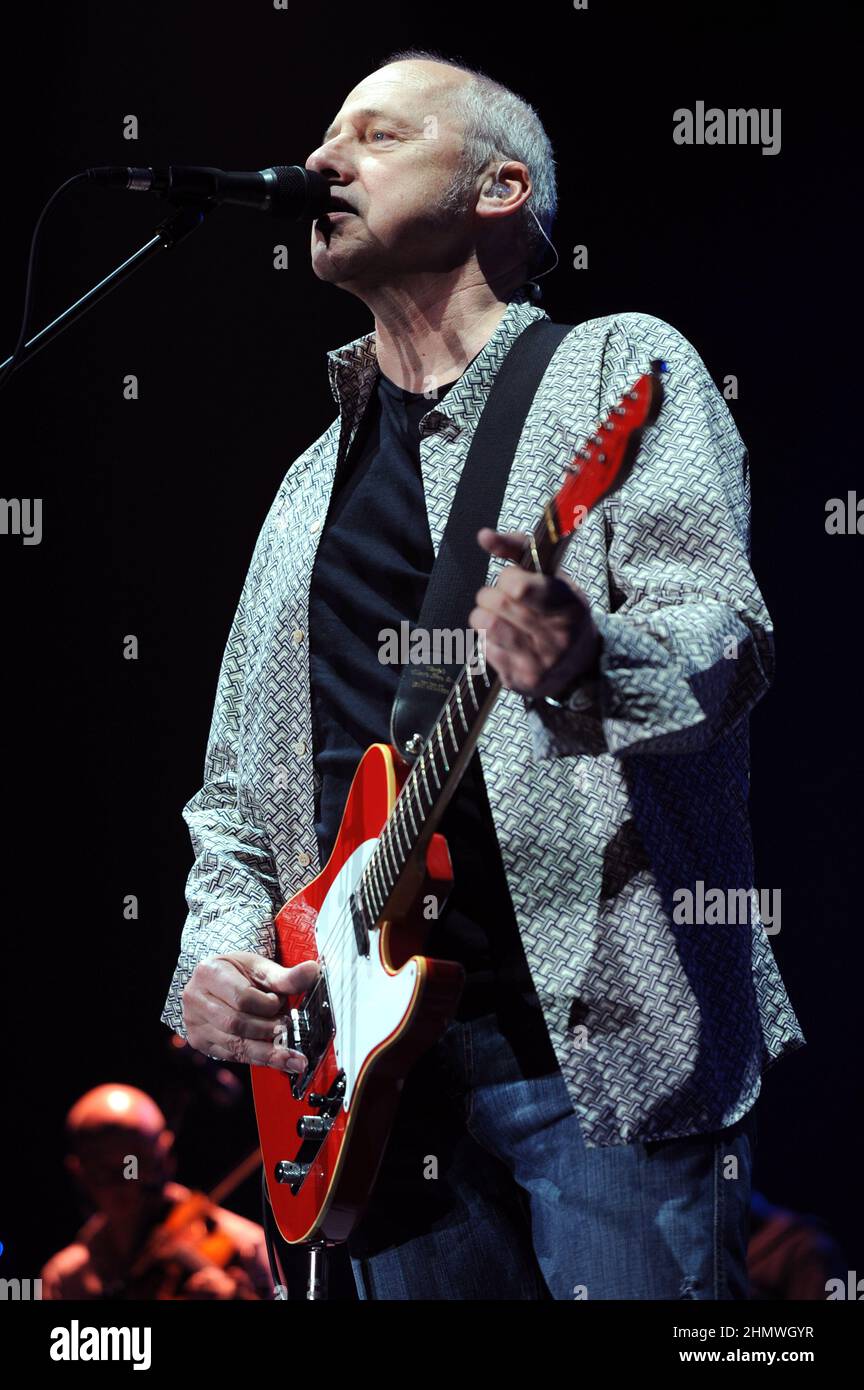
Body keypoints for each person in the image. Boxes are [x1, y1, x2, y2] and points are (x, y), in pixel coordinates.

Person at [161, 49, 806, 1300]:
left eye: (375, 136)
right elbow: (236, 796)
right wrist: (222, 957)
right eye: (323, 137)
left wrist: (587, 658)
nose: (318, 164)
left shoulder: (616, 371)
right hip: (368, 1087)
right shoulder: (304, 489)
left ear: (498, 188)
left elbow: (725, 634)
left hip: (604, 1052)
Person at [40, 1085, 271, 1300]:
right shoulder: (65, 1279)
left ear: (165, 1159)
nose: (123, 1182)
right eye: (103, 1169)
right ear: (79, 1171)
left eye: (133, 1164)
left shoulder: (246, 1246)